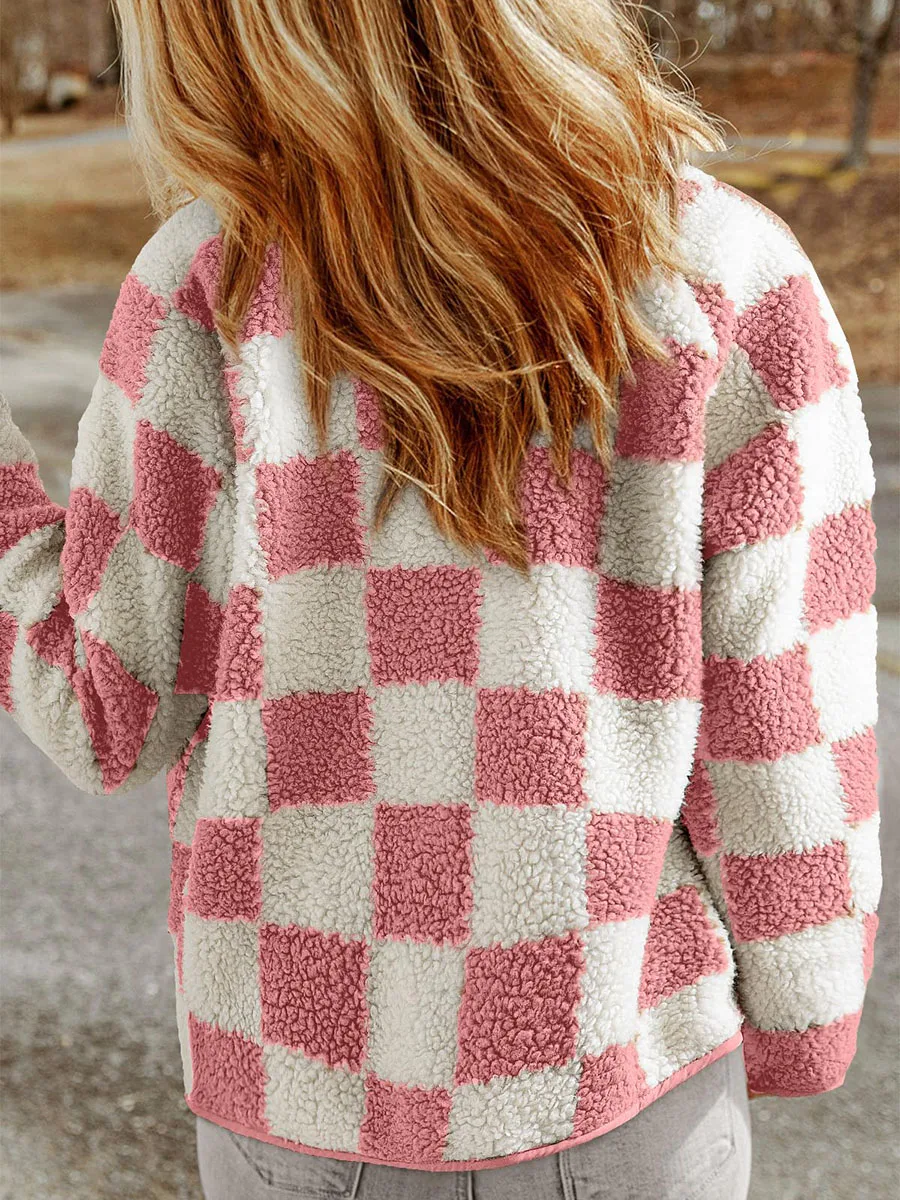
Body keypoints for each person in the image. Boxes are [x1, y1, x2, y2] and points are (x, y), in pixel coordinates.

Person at [0, 2, 882, 1197]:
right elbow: (781, 733)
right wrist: (804, 1019)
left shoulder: (208, 283)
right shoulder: (723, 270)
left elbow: (107, 711)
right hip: (623, 1091)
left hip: (298, 1102)